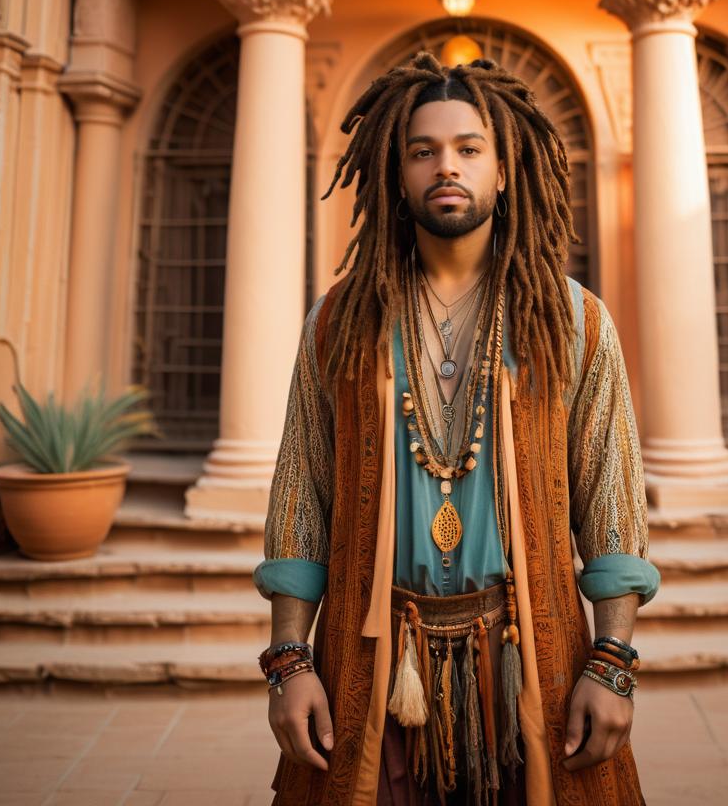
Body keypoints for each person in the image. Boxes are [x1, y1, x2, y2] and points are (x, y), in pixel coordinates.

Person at [253, 52, 660, 806]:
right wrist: (290, 660)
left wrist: (612, 663)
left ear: (503, 171)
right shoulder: (339, 323)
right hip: (366, 665)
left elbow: (612, 505)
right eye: (423, 151)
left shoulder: (572, 321)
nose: (447, 166)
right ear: (396, 174)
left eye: (469, 149)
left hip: (531, 661)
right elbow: (301, 498)